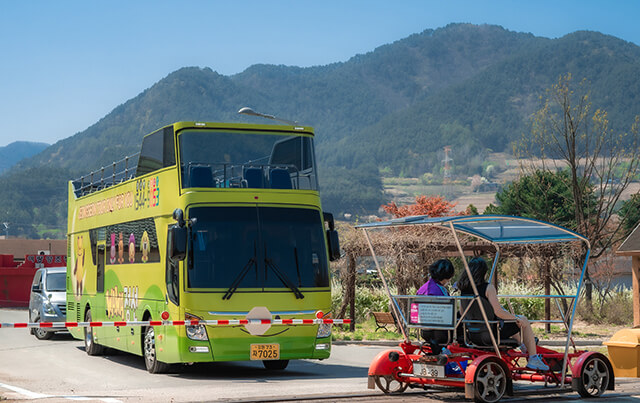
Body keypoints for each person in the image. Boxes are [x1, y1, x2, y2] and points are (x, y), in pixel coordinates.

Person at [457, 257, 549, 371]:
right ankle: (533, 357)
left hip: (473, 334)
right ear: (483, 273)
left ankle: (524, 347)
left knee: (511, 324)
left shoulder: (464, 290)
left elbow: (462, 313)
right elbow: (498, 311)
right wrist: (515, 318)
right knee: (523, 320)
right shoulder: (488, 288)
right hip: (491, 334)